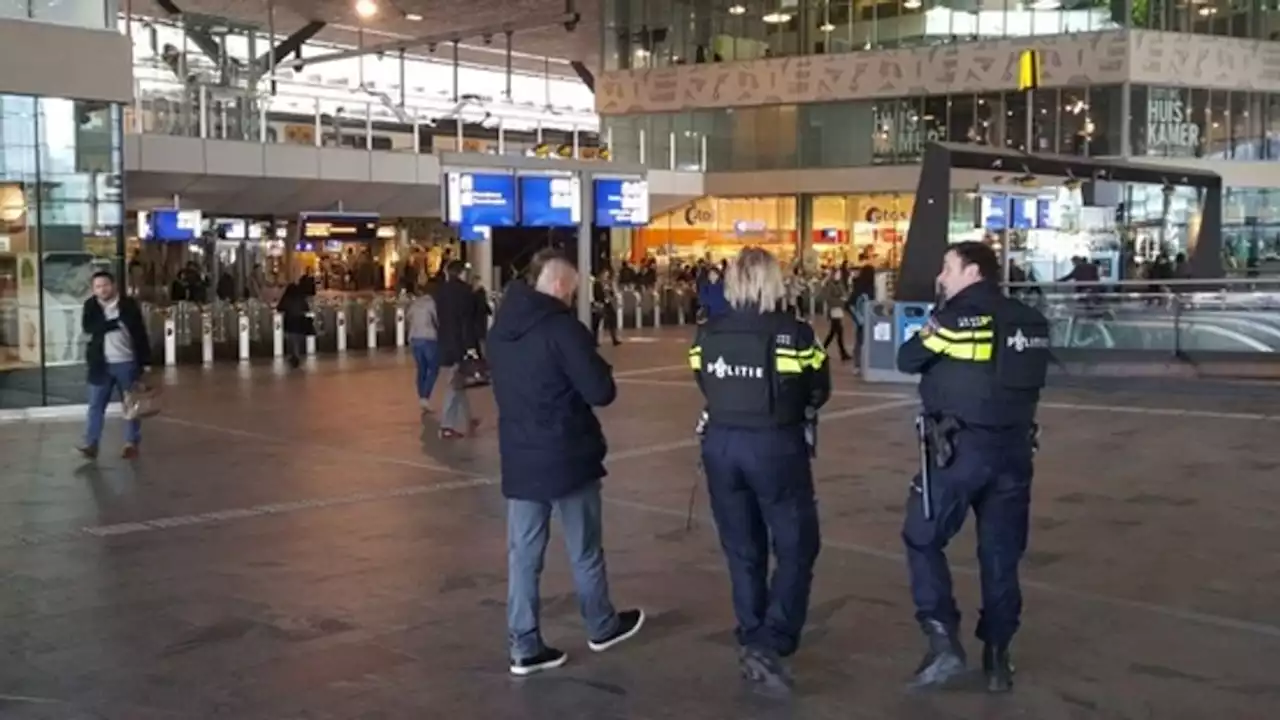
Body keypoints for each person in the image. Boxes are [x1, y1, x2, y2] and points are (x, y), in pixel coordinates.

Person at [895, 241, 1050, 693]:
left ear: (973, 270)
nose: (941, 277)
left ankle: (943, 639)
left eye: (948, 267)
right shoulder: (1029, 320)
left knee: (922, 535)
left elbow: (908, 358)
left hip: (959, 452)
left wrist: (933, 327)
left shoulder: (958, 318)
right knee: (1001, 556)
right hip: (1016, 452)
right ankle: (998, 658)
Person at [488, 248, 645, 677]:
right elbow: (600, 391)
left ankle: (523, 644)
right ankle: (601, 624)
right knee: (584, 548)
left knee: (523, 555)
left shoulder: (502, 329)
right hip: (567, 454)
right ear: (560, 284)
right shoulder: (562, 329)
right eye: (573, 287)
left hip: (519, 455)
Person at [688, 247, 831, 693]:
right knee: (796, 544)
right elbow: (818, 388)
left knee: (741, 547)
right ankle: (774, 638)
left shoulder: (706, 334)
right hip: (776, 445)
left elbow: (703, 380)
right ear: (774, 281)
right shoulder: (797, 334)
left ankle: (752, 633)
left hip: (721, 446)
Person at [78, 270, 152, 460]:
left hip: (127, 362)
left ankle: (131, 442)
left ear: (114, 285)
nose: (102, 289)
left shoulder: (128, 305)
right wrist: (113, 324)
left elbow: (140, 332)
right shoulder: (91, 306)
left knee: (130, 404)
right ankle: (91, 444)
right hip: (100, 364)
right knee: (95, 405)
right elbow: (89, 327)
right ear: (93, 290)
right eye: (98, 287)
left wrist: (146, 361)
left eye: (105, 285)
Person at [432, 260, 479, 439]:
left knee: (459, 382)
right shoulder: (465, 292)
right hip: (459, 344)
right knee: (454, 384)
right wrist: (472, 348)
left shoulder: (440, 292)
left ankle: (469, 418)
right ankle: (446, 426)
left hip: (444, 343)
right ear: (461, 273)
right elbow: (467, 323)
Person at [405, 285, 439, 413]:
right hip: (429, 337)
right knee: (433, 368)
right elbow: (436, 320)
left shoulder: (415, 303)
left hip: (414, 338)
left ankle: (422, 397)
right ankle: (425, 396)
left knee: (421, 368)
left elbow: (408, 317)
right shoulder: (432, 304)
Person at [276, 282, 312, 369]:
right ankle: (297, 355)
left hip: (290, 321)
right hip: (300, 321)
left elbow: (280, 308)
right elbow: (306, 308)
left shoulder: (286, 298)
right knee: (298, 340)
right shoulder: (301, 298)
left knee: (292, 339)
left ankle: (294, 355)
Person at [591, 269, 621, 347]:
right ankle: (594, 340)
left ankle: (614, 338)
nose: (606, 277)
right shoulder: (597, 283)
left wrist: (610, 292)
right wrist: (603, 299)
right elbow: (597, 294)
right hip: (601, 304)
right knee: (597, 322)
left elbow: (611, 293)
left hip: (607, 304)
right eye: (605, 275)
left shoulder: (607, 284)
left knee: (612, 318)